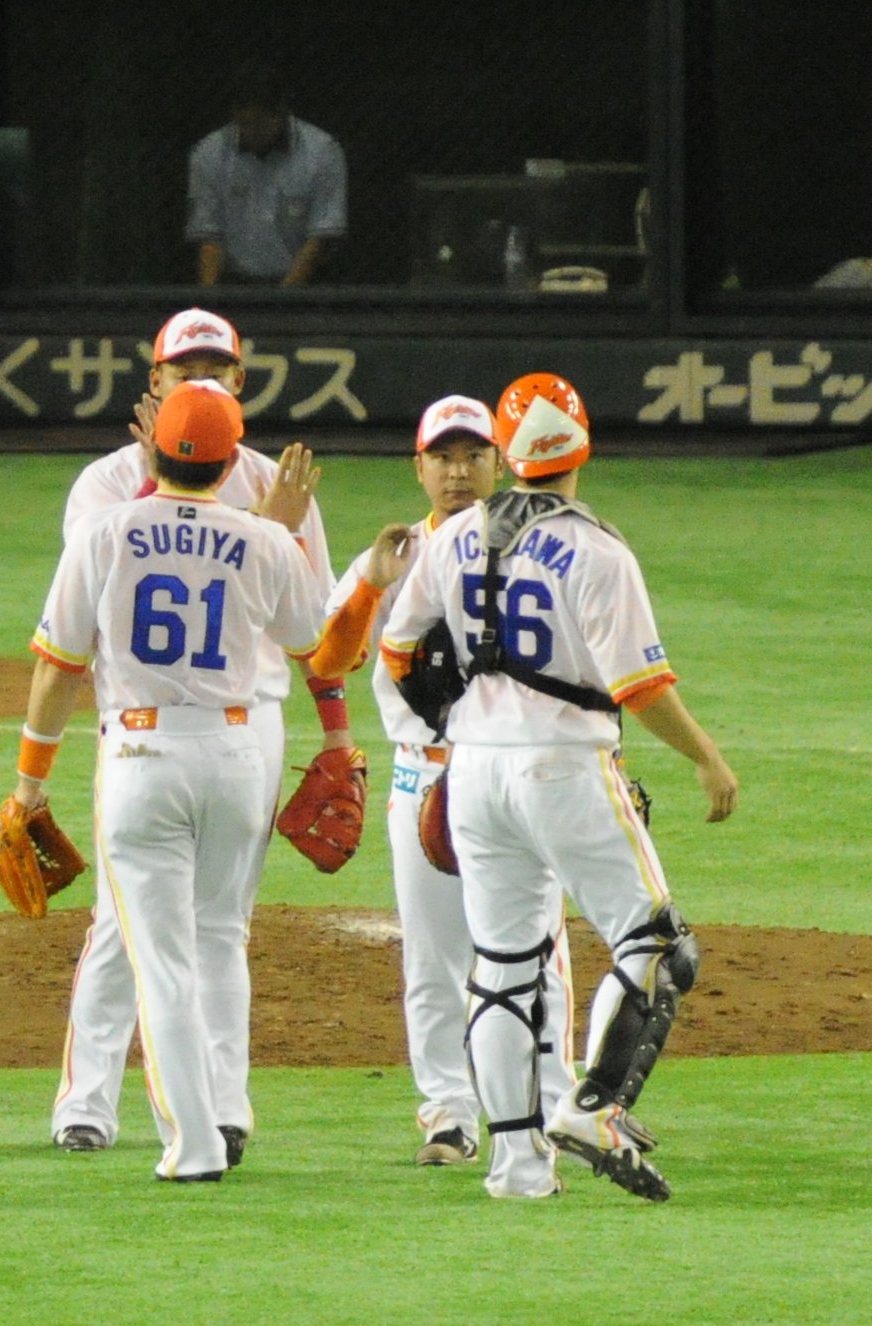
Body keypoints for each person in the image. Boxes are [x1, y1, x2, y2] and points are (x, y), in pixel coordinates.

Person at [9, 380, 402, 1180]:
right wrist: (361, 584)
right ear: (232, 463)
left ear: (151, 448)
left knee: (157, 958)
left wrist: (29, 783)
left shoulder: (104, 532)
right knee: (221, 939)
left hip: (143, 759)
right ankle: (224, 1108)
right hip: (234, 759)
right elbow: (324, 656)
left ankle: (193, 1142)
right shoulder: (265, 541)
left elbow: (57, 671)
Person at [380, 372, 738, 1201]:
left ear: (506, 456)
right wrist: (705, 756)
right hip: (566, 769)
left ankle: (515, 1170)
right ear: (582, 449)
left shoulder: (454, 537)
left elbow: (399, 655)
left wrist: (460, 723)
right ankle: (591, 1105)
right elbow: (640, 688)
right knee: (656, 946)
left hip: (473, 774)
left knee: (503, 968)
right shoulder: (597, 549)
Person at [48, 308, 337, 1159]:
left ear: (241, 382)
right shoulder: (106, 484)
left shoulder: (275, 479)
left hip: (252, 724)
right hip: (139, 723)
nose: (203, 378)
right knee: (118, 922)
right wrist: (271, 526)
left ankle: (221, 1105)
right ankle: (87, 1105)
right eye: (187, 367)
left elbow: (309, 633)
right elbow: (106, 591)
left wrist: (334, 734)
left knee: (222, 927)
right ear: (156, 379)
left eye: (218, 367)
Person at [315, 395, 576, 1167]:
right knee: (432, 957)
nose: (458, 473)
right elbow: (327, 664)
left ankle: (557, 1104)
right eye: (443, 457)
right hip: (422, 777)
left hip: (519, 772)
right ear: (418, 465)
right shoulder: (395, 555)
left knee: (540, 948)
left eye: (474, 457)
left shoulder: (538, 550)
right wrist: (370, 585)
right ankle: (448, 1113)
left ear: (500, 463)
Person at [185, 62, 347, 287]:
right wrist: (210, 300)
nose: (251, 133)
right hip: (235, 283)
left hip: (304, 287)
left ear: (281, 113)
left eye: (260, 125)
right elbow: (209, 238)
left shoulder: (322, 151)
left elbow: (321, 238)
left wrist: (283, 299)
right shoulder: (208, 153)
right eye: (244, 124)